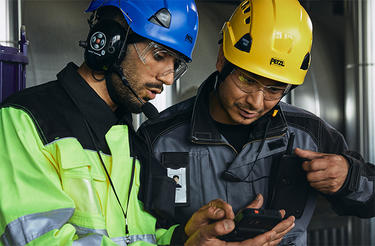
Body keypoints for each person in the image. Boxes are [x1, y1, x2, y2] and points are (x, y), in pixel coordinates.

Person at [0, 0, 295, 245]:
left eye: (176, 64)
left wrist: (184, 237)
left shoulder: (131, 139)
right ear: (110, 41)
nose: (168, 78)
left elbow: (137, 235)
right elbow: (39, 240)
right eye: (160, 55)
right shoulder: (26, 120)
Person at [138, 0, 375, 245]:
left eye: (274, 89)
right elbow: (135, 234)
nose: (256, 102)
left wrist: (349, 177)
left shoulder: (308, 134)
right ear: (222, 59)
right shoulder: (158, 139)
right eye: (247, 80)